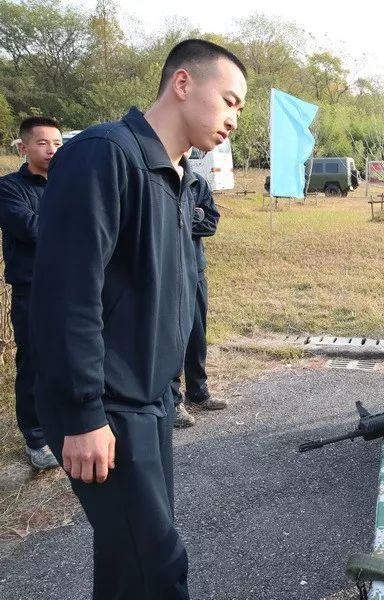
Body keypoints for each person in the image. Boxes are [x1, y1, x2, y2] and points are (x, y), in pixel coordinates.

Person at [29, 39, 246, 599]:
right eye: (228, 101)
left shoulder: (175, 175)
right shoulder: (104, 155)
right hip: (103, 404)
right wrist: (82, 417)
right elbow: (66, 294)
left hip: (149, 401)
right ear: (182, 84)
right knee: (159, 565)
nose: (233, 120)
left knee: (128, 563)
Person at [0, 117, 62, 469]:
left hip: (73, 287)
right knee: (34, 363)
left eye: (56, 142)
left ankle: (69, 423)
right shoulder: (9, 188)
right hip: (32, 290)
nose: (52, 149)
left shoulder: (69, 183)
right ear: (24, 147)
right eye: (42, 143)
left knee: (75, 356)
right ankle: (36, 439)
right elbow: (31, 228)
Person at [172, 173, 226, 428]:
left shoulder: (197, 182)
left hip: (194, 269)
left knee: (196, 334)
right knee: (170, 338)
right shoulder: (155, 178)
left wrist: (180, 221)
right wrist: (191, 217)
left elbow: (211, 222)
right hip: (164, 273)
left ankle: (198, 392)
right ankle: (171, 401)